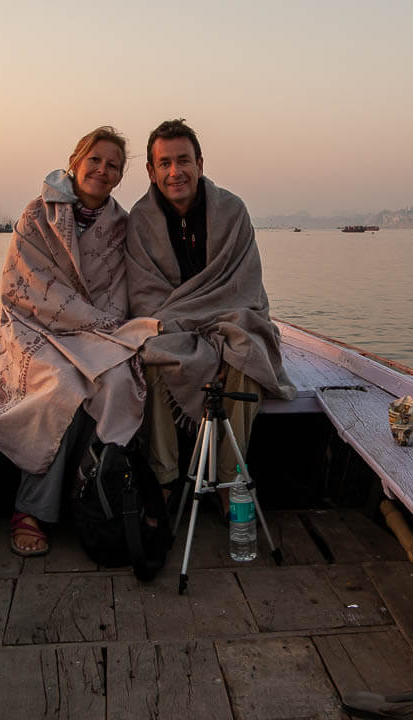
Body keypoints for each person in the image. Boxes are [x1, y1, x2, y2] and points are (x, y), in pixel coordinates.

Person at [0, 126, 160, 556]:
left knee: (117, 383)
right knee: (63, 386)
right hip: (34, 328)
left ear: (119, 177)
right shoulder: (37, 215)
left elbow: (119, 293)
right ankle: (30, 509)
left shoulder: (120, 227)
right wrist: (89, 321)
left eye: (113, 165)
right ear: (75, 161)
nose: (102, 170)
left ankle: (96, 496)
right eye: (95, 160)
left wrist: (102, 327)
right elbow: (24, 288)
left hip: (94, 333)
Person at [125, 119, 296, 513]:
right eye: (164, 163)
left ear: (200, 163)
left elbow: (246, 288)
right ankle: (164, 478)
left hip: (231, 320)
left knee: (249, 350)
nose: (175, 172)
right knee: (150, 353)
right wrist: (193, 332)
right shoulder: (139, 221)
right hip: (170, 326)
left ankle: (230, 480)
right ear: (151, 172)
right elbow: (145, 298)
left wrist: (214, 337)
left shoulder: (232, 211)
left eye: (183, 160)